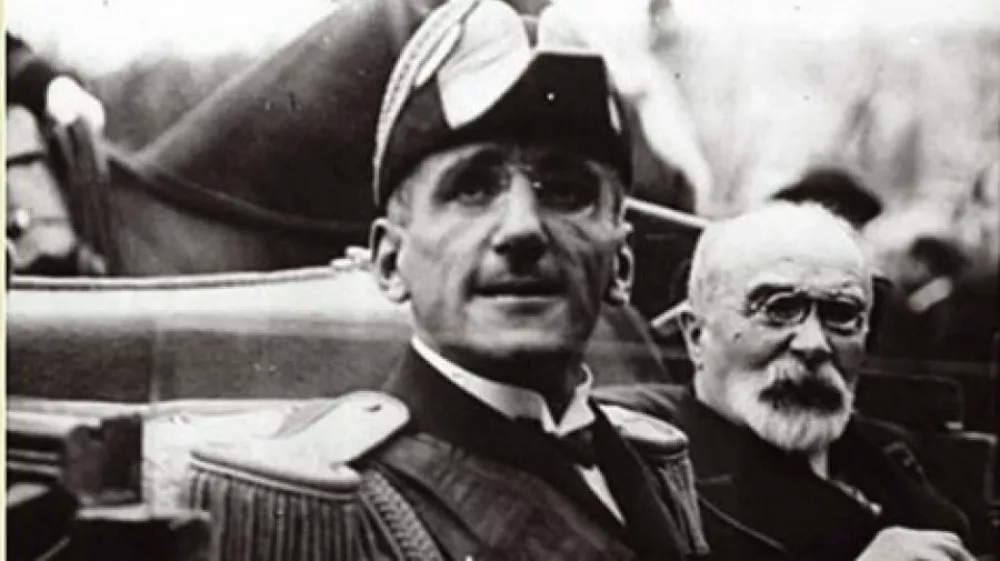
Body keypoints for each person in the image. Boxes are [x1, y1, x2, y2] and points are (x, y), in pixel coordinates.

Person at [184, 1, 706, 560]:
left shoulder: (655, 468)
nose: (522, 229)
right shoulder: (318, 504)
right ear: (390, 262)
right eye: (472, 189)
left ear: (621, 264)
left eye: (565, 192)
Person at [597, 202, 973, 561]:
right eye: (779, 308)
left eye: (841, 313)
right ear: (697, 337)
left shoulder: (898, 456)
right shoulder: (636, 467)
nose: (814, 344)